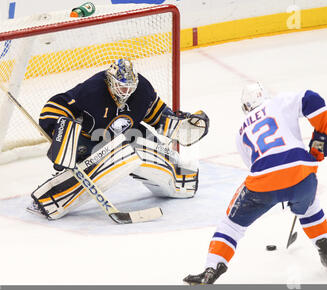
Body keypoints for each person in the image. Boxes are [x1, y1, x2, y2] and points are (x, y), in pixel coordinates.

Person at [183, 82, 327, 285]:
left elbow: (255, 165)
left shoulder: (240, 131)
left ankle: (212, 268)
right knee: (309, 205)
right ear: (264, 96)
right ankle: (323, 245)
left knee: (232, 224)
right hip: (301, 174)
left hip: (264, 180)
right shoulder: (279, 102)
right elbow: (313, 100)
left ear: (245, 107)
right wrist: (321, 137)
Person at [27, 58, 209, 220]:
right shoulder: (93, 90)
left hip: (130, 135)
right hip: (91, 142)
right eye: (122, 87)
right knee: (113, 159)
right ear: (110, 82)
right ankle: (50, 199)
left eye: (130, 87)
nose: (126, 92)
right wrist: (61, 135)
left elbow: (158, 114)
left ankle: (182, 179)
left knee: (148, 151)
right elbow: (57, 105)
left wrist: (180, 124)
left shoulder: (142, 89)